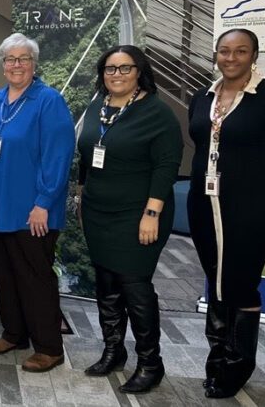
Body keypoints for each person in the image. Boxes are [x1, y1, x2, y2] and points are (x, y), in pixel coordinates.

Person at [187, 28, 265, 399]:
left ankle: (237, 365)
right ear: (216, 54)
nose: (231, 58)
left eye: (240, 51)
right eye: (224, 51)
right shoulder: (201, 97)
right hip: (204, 203)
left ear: (254, 56)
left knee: (239, 282)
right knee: (216, 280)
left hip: (253, 207)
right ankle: (216, 359)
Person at [77, 46, 182, 393]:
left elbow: (166, 167)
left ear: (140, 71)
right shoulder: (99, 105)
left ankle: (151, 362)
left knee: (135, 287)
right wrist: (82, 195)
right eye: (110, 69)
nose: (116, 75)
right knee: (106, 284)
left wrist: (152, 213)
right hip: (98, 210)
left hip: (138, 214)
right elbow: (88, 153)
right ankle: (113, 351)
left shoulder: (157, 112)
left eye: (125, 68)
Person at [0, 33, 74, 373]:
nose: (17, 65)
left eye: (23, 59)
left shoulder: (49, 101)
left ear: (34, 64)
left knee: (35, 277)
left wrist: (44, 202)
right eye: (10, 59)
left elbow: (58, 157)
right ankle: (14, 333)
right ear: (2, 65)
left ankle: (49, 346)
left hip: (33, 211)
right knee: (4, 275)